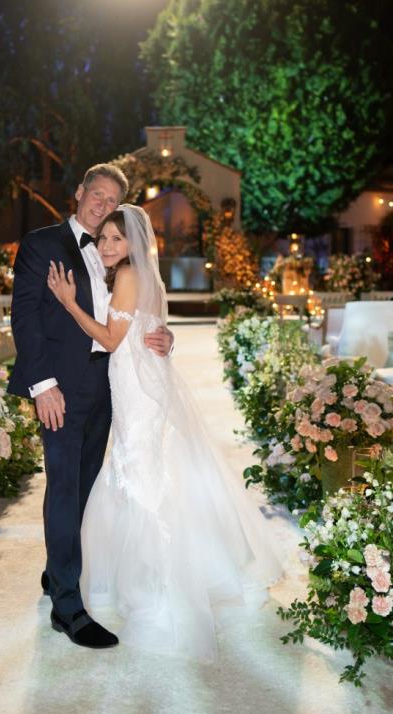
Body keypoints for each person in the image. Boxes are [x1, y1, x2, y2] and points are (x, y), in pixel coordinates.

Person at [47, 205, 282, 658]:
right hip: (143, 378)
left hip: (135, 382)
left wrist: (68, 301)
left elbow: (113, 339)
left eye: (118, 238)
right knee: (147, 460)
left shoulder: (131, 275)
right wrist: (164, 337)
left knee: (139, 466)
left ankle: (157, 577)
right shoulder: (146, 276)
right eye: (105, 239)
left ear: (135, 243)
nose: (109, 245)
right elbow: (150, 327)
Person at [7, 166, 174, 649]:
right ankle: (68, 607)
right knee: (63, 488)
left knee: (84, 488)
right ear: (79, 193)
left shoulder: (116, 255)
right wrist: (42, 385)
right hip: (60, 390)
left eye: (110, 200)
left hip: (110, 389)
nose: (100, 205)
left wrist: (165, 337)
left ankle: (54, 571)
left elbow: (136, 315)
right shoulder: (43, 244)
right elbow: (26, 317)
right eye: (95, 195)